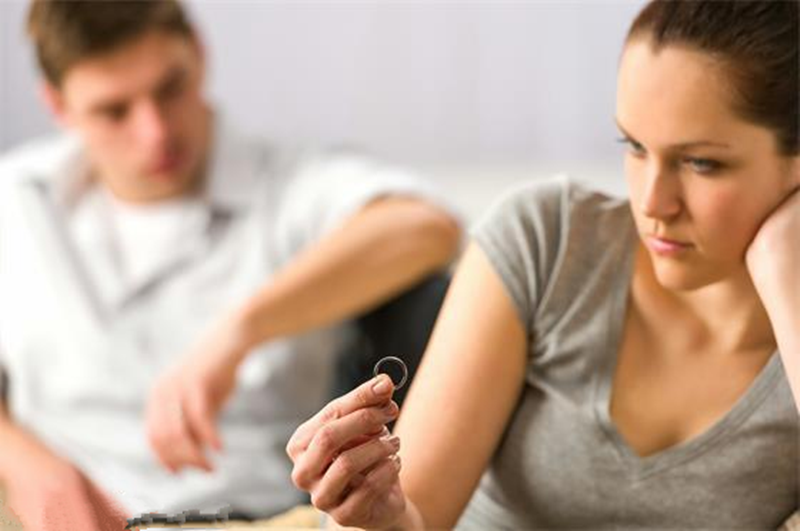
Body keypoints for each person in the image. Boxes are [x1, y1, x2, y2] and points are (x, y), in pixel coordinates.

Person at [287, 0, 800, 528]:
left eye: (701, 163)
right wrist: (377, 514)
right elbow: (415, 518)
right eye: (634, 146)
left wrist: (784, 270)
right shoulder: (548, 242)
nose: (652, 202)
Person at [0, 0, 461, 528]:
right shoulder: (15, 202)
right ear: (58, 105)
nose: (155, 132)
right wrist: (25, 464)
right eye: (114, 111)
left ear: (199, 54)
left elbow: (427, 228)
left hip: (259, 515)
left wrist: (240, 330)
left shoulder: (289, 185)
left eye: (170, 88)